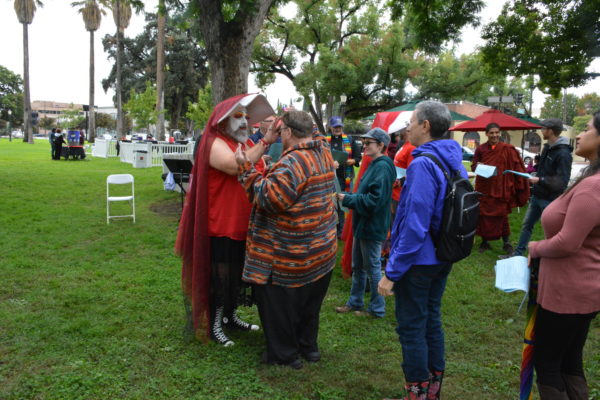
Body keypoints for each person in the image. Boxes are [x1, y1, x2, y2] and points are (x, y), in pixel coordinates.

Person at [234, 110, 337, 369]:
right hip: (320, 252)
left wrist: (246, 168)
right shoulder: (322, 150)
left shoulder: (294, 162)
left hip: (289, 255)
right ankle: (308, 347)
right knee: (308, 307)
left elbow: (269, 199)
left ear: (289, 133)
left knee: (279, 308)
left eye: (281, 131)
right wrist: (271, 158)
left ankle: (285, 354)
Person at [378, 101, 467, 400]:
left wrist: (392, 272)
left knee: (412, 328)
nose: (407, 127)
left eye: (412, 121)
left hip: (419, 261)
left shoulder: (423, 163)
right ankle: (432, 391)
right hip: (444, 254)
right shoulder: (453, 158)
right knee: (431, 319)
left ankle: (416, 393)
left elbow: (415, 225)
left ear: (426, 125)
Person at [175, 93, 275, 346]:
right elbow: (234, 167)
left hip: (241, 223)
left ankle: (231, 317)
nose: (244, 122)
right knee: (221, 276)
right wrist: (265, 142)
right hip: (220, 224)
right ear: (221, 122)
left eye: (246, 117)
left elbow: (254, 168)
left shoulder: (238, 144)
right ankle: (214, 325)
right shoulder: (214, 142)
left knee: (237, 275)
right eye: (237, 117)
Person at [528, 111, 600, 399]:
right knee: (570, 361)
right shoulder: (592, 179)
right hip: (580, 289)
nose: (579, 134)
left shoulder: (593, 187)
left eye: (587, 128)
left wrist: (535, 248)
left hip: (568, 293)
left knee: (548, 364)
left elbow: (568, 242)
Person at [335, 128, 395, 318]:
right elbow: (364, 193)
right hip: (363, 224)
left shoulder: (383, 167)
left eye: (369, 143)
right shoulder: (375, 164)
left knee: (373, 269)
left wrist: (348, 200)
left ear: (381, 145)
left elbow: (374, 201)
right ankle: (355, 302)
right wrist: (349, 196)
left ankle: (377, 309)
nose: (364, 146)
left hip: (372, 226)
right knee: (358, 267)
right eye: (364, 142)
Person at [510, 118, 573, 257]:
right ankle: (518, 254)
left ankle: (550, 257)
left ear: (550, 131)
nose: (541, 130)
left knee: (550, 230)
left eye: (543, 128)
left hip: (550, 200)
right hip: (537, 196)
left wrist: (540, 180)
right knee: (527, 225)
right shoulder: (547, 147)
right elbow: (543, 170)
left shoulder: (563, 154)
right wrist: (535, 173)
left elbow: (562, 181)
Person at [471, 123, 530, 254]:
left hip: (501, 187)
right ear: (486, 134)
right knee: (484, 215)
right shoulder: (480, 149)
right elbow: (474, 167)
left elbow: (516, 166)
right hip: (485, 187)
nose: (494, 135)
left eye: (497, 132)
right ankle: (485, 242)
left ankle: (506, 242)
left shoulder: (507, 149)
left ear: (500, 133)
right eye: (491, 133)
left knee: (502, 216)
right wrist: (478, 165)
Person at [327, 116, 362, 236]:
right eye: (335, 127)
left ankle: (343, 230)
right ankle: (333, 229)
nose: (337, 129)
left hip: (345, 176)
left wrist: (350, 161)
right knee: (332, 203)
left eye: (339, 126)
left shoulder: (350, 140)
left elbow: (358, 158)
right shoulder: (325, 141)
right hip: (330, 178)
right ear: (330, 127)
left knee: (344, 202)